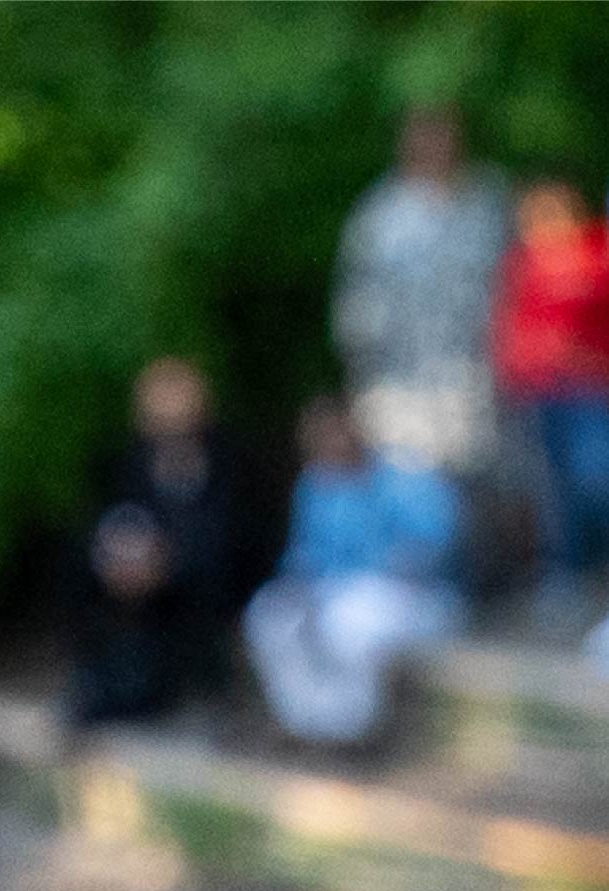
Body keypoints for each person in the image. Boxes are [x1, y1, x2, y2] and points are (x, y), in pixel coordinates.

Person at [241, 397, 465, 745]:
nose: (329, 443)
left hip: (414, 600)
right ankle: (307, 723)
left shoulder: (407, 478)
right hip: (334, 594)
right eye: (318, 437)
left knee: (349, 622)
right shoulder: (315, 485)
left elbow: (431, 553)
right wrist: (301, 588)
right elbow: (305, 555)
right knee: (270, 614)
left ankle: (355, 730)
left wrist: (369, 575)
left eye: (335, 432)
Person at [65, 356, 244, 728]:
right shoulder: (133, 462)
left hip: (201, 581)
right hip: (138, 576)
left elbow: (232, 540)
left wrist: (168, 563)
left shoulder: (227, 461)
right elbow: (118, 517)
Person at [337, 102, 511, 482]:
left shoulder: (490, 203)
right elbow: (355, 312)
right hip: (401, 390)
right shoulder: (379, 215)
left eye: (442, 130)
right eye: (423, 131)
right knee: (420, 511)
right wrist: (362, 389)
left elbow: (519, 287)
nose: (434, 142)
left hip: (483, 386)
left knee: (490, 508)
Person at [493, 178, 609, 607]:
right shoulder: (521, 262)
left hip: (593, 390)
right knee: (551, 491)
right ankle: (565, 575)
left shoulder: (599, 250)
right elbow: (509, 325)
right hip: (539, 392)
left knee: (597, 479)